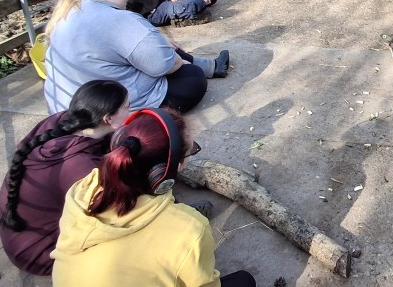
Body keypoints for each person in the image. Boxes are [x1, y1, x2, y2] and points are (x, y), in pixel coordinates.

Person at [52, 108, 256, 287]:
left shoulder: (83, 188)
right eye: (190, 152)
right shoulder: (190, 229)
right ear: (163, 173)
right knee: (245, 280)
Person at [44, 0, 229, 114]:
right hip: (110, 111)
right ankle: (204, 68)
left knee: (163, 46)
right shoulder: (117, 19)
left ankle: (211, 66)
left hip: (65, 107)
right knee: (191, 75)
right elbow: (165, 65)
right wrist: (179, 61)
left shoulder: (68, 12)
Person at [0, 80, 130, 276]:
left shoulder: (59, 122)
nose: (130, 111)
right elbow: (116, 212)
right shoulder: (83, 168)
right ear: (108, 119)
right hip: (42, 252)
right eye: (126, 107)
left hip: (20, 235)